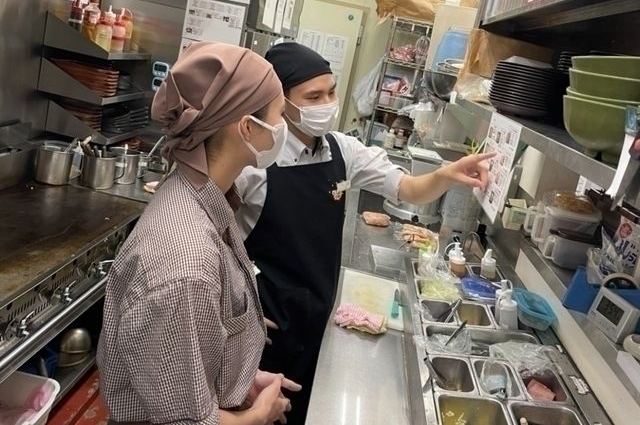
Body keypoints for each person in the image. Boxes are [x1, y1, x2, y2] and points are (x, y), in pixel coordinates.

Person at [235, 42, 494, 424]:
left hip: (318, 310)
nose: (328, 103)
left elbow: (407, 188)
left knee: (301, 409)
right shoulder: (254, 162)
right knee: (257, 409)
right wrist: (235, 306)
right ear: (281, 101)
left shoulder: (342, 150)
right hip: (265, 320)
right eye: (313, 96)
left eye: (331, 91)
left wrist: (446, 175)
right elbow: (215, 238)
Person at [98, 41, 301, 425]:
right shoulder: (187, 262)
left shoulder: (203, 195)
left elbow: (186, 350)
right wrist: (257, 415)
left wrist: (239, 379)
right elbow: (183, 421)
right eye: (278, 116)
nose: (282, 129)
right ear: (247, 127)